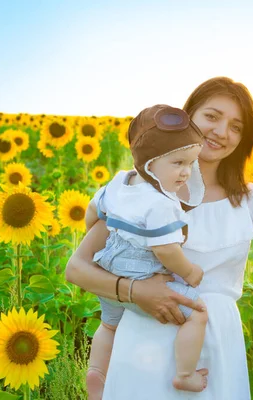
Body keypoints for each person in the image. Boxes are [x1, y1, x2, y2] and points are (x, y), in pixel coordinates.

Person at [65, 76, 253, 399]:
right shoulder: (143, 190)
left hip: (218, 343)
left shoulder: (251, 199)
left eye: (236, 127)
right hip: (145, 337)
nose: (222, 132)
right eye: (212, 116)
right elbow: (77, 268)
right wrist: (135, 291)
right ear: (188, 116)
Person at [85, 105, 211, 399]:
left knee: (108, 324)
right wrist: (189, 271)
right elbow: (165, 250)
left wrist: (105, 237)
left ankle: (97, 372)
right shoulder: (161, 203)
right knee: (198, 314)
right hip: (141, 272)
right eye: (178, 162)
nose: (186, 172)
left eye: (191, 164)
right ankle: (185, 374)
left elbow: (93, 213)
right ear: (150, 163)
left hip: (108, 267)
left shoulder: (119, 182)